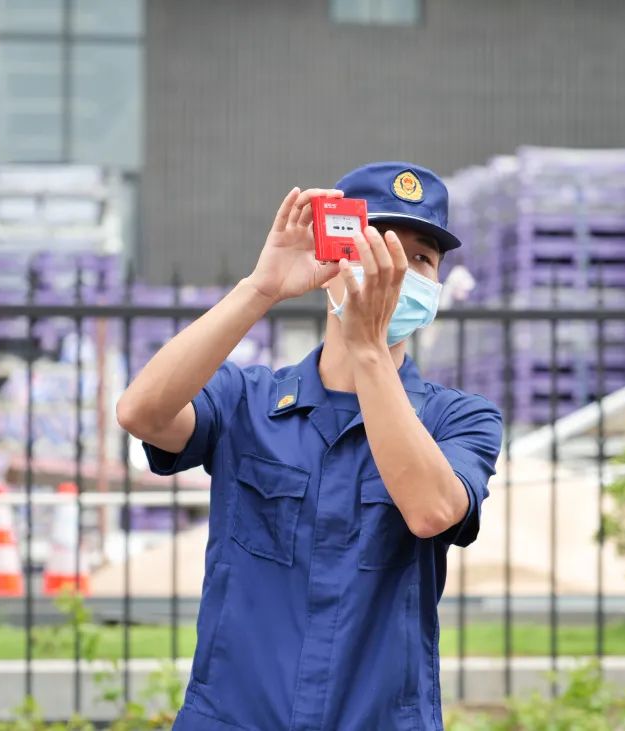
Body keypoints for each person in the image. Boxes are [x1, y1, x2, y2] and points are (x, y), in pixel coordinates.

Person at [117, 162, 503, 731]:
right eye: (376, 247)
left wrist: (368, 349)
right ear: (331, 259)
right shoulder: (248, 400)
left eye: (420, 259)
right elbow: (141, 413)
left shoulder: (459, 418)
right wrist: (261, 288)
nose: (395, 272)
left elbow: (431, 511)